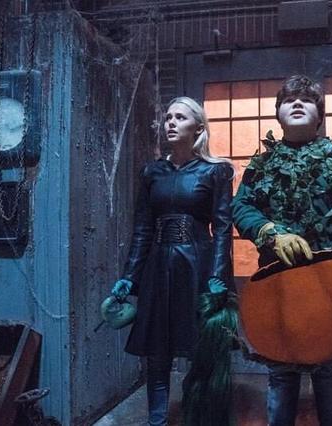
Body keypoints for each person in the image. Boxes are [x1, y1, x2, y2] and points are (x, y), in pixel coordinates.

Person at [232, 75, 332, 426]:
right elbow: (241, 207)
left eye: (307, 100)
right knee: (281, 369)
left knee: (329, 368)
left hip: (330, 285)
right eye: (289, 100)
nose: (297, 103)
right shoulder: (261, 166)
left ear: (320, 115)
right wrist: (270, 233)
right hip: (278, 283)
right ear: (277, 114)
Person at [109, 96, 235, 426]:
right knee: (157, 352)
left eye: (180, 117)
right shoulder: (152, 172)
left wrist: (218, 274)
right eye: (168, 117)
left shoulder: (216, 171)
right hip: (158, 268)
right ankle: (157, 421)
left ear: (198, 128)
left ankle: (200, 418)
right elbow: (142, 228)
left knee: (201, 350)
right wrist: (129, 276)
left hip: (197, 266)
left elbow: (223, 228)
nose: (171, 123)